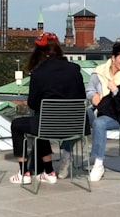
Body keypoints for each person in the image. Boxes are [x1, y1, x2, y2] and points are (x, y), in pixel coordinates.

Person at [9, 33, 86, 185]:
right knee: (43, 119)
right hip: (74, 127)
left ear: (40, 52)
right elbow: (82, 97)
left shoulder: (38, 73)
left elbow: (32, 103)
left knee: (18, 125)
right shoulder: (74, 69)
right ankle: (49, 172)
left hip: (47, 126)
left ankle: (24, 172)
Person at [84, 42, 120, 182]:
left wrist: (114, 90)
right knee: (77, 117)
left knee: (99, 123)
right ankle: (67, 157)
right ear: (113, 58)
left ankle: (98, 163)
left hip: (116, 116)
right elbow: (89, 90)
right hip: (97, 110)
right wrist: (93, 95)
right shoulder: (99, 72)